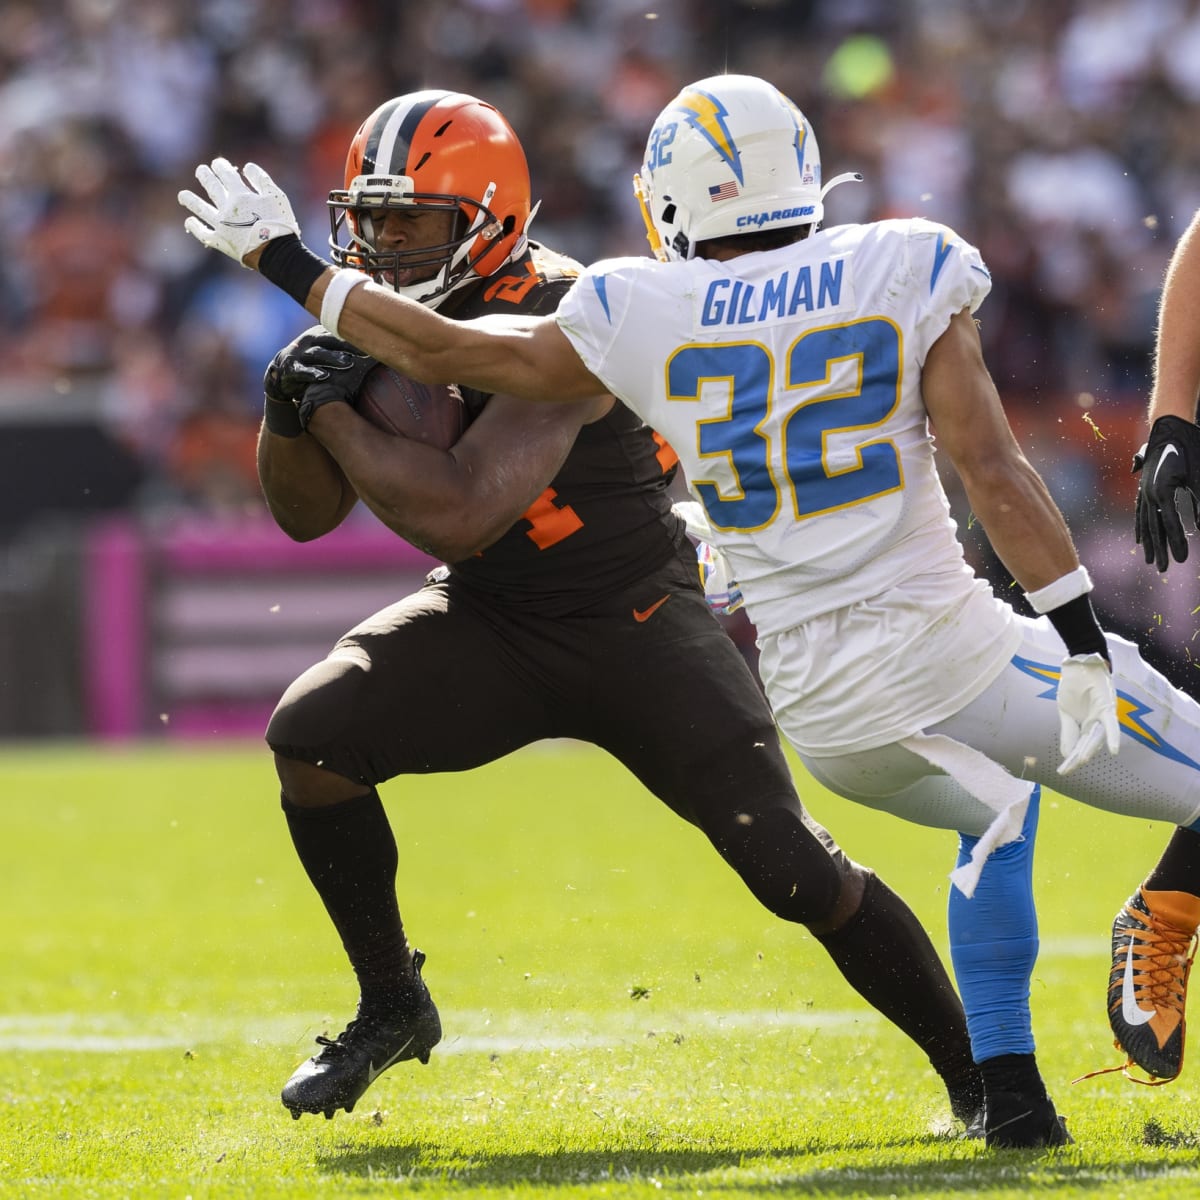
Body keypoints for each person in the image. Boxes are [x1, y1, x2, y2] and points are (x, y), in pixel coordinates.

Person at [178, 74, 1200, 1143]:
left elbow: (463, 503)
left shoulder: (600, 305)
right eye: (370, 225)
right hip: (501, 617)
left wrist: (320, 361)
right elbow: (309, 516)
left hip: (640, 625)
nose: (382, 250)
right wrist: (294, 400)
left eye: (410, 222)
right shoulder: (882, 263)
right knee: (312, 737)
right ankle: (391, 998)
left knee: (805, 871)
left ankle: (983, 1082)